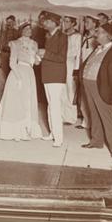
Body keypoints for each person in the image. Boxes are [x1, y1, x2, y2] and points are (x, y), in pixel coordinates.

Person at [0, 22, 43, 140]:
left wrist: (38, 57)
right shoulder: (15, 43)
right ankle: (15, 131)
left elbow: (36, 63)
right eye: (26, 29)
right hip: (18, 72)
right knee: (16, 101)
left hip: (29, 73)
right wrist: (18, 77)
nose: (29, 31)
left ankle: (27, 129)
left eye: (30, 29)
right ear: (21, 31)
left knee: (28, 100)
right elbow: (12, 63)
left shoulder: (34, 44)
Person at [80, 23, 112, 158]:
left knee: (107, 117)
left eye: (99, 32)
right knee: (93, 114)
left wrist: (109, 89)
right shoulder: (97, 49)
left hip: (101, 88)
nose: (96, 35)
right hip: (88, 84)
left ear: (108, 36)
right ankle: (96, 141)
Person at [39, 11, 68, 147]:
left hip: (56, 76)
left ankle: (59, 138)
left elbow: (61, 58)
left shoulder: (62, 37)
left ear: (54, 23)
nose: (44, 23)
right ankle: (53, 133)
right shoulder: (48, 36)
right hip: (48, 75)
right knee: (50, 105)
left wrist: (45, 53)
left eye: (47, 21)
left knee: (55, 107)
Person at [76, 15, 98, 129]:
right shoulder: (84, 37)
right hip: (83, 69)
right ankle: (86, 121)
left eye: (88, 22)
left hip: (92, 70)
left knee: (91, 96)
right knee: (83, 96)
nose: (85, 24)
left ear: (95, 24)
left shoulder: (97, 38)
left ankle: (94, 123)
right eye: (85, 22)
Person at [61, 16, 81, 126]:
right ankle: (62, 115)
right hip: (61, 63)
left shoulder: (77, 36)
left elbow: (78, 54)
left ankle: (71, 117)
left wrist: (76, 69)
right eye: (64, 21)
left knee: (70, 89)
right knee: (62, 89)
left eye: (68, 21)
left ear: (73, 23)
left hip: (71, 63)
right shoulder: (63, 35)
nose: (65, 23)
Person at [31, 11, 48, 104]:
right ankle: (37, 98)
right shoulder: (35, 30)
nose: (42, 20)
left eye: (44, 19)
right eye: (41, 18)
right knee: (36, 78)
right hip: (36, 57)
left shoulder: (48, 31)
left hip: (46, 58)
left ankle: (43, 99)